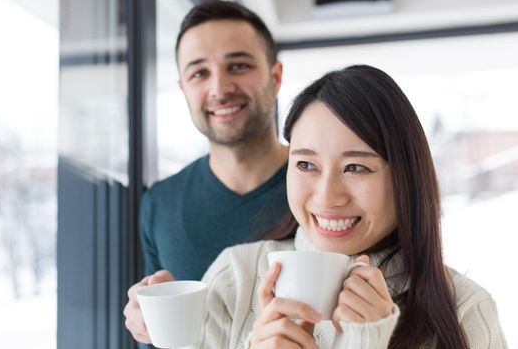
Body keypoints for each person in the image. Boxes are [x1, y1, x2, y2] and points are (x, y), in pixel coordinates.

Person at [184, 65, 506, 348]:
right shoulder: (235, 279)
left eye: (355, 168)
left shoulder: (467, 311)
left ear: (405, 178)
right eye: (306, 165)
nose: (326, 197)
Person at [124, 1, 289, 346]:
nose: (220, 88)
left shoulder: (324, 190)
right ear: (184, 88)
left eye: (238, 65)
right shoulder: (160, 203)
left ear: (275, 77)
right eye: (199, 73)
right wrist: (144, 327)